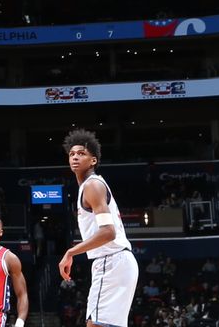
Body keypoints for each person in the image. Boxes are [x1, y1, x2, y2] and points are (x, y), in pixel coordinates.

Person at [59, 130, 137, 327]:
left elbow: (108, 232)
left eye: (81, 153)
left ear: (93, 160)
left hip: (111, 260)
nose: (75, 157)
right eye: (72, 154)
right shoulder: (90, 185)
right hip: (117, 261)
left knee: (95, 324)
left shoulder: (92, 186)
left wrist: (71, 252)